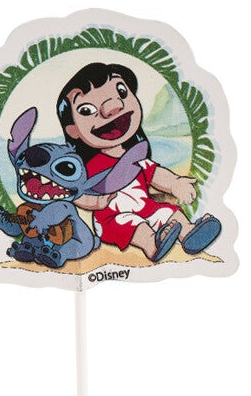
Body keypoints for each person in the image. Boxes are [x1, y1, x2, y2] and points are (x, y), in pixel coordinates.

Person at [58, 62, 221, 262]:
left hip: (147, 208)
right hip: (111, 219)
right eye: (86, 109)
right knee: (134, 224)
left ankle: (188, 233)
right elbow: (77, 192)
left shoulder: (136, 157)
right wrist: (95, 202)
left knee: (169, 212)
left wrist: (175, 183)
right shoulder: (89, 167)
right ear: (73, 130)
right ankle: (152, 245)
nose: (112, 108)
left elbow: (155, 174)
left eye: (121, 92)